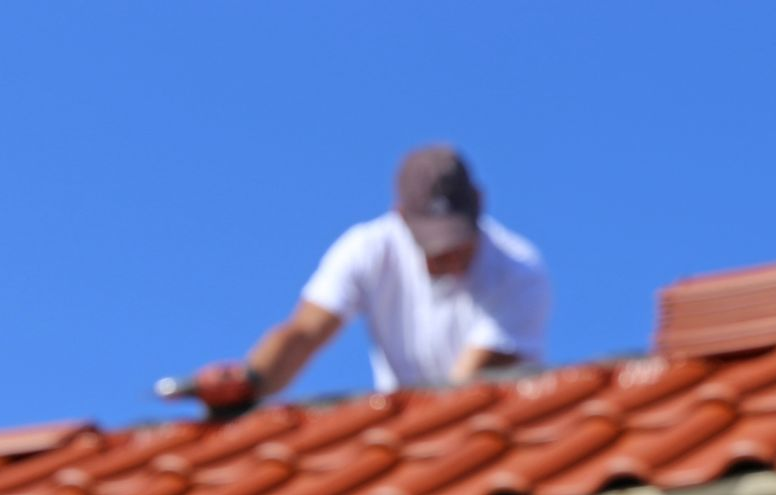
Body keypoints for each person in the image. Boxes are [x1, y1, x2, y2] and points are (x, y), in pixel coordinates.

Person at [174, 145, 551, 413]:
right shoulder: (368, 248)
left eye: (456, 241)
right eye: (433, 245)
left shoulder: (519, 271)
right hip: (410, 422)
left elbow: (461, 390)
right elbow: (305, 332)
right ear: (401, 217)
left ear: (480, 205)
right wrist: (249, 381)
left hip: (491, 423)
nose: (447, 256)